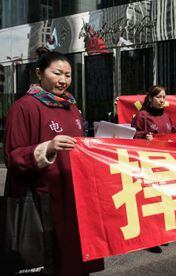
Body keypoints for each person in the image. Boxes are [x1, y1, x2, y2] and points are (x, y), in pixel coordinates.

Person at [3, 48, 104, 275]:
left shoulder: (71, 106)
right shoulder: (24, 107)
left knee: (77, 261)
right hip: (44, 201)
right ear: (39, 73)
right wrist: (47, 147)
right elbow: (12, 156)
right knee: (52, 262)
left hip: (76, 197)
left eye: (68, 75)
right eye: (57, 73)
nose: (63, 80)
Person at [131, 85, 176, 253]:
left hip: (165, 163)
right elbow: (131, 135)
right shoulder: (142, 115)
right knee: (150, 200)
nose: (162, 100)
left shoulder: (167, 116)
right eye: (158, 97)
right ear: (150, 98)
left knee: (164, 200)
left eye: (164, 97)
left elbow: (174, 134)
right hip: (147, 163)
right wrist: (144, 136)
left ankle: (161, 234)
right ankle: (149, 239)